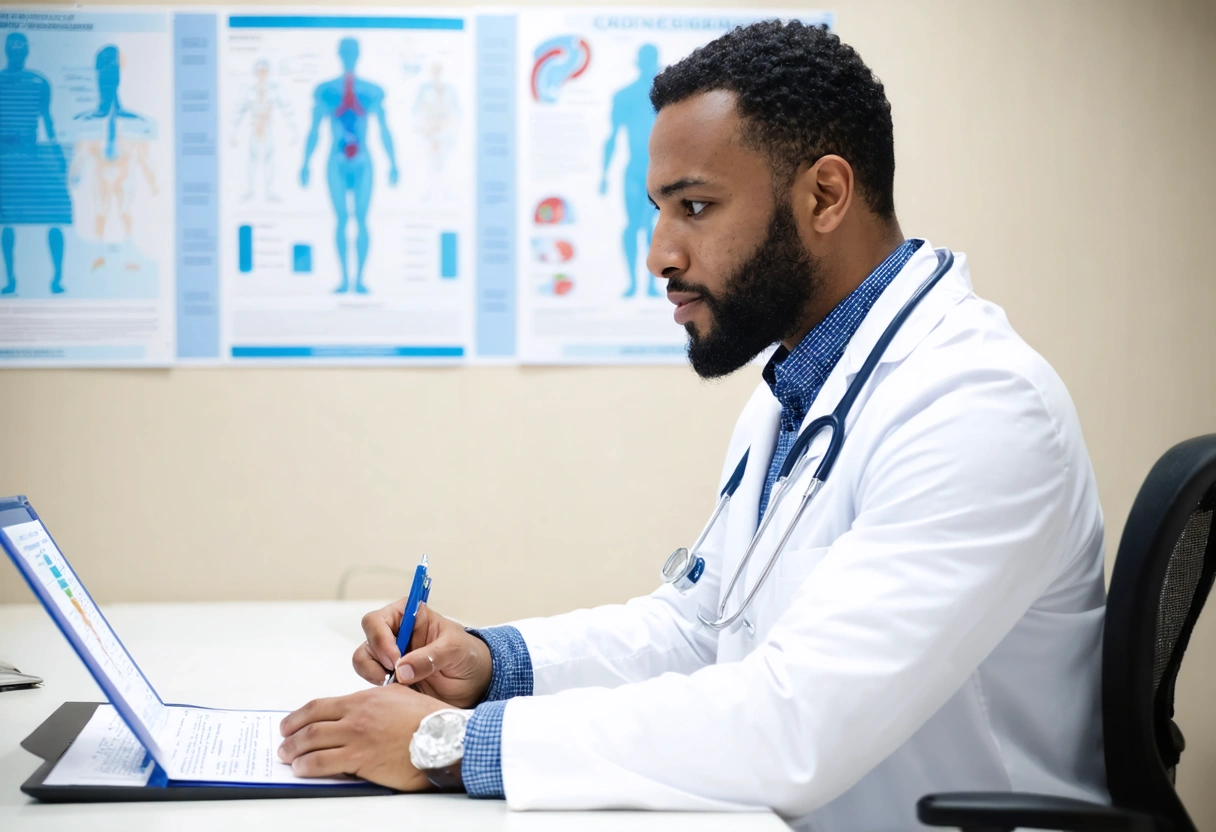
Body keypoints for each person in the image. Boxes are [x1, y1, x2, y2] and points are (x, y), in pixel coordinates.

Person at [278, 22, 1107, 831]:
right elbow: (702, 627)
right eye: (659, 210)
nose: (660, 254)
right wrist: (494, 665)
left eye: (697, 207)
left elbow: (796, 724)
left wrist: (447, 745)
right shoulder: (797, 388)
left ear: (824, 195)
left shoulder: (977, 407)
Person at [300, 37, 399, 295]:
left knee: (362, 220)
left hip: (363, 161)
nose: (349, 56)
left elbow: (384, 130)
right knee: (342, 220)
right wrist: (304, 163)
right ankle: (345, 280)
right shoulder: (326, 91)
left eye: (352, 52)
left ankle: (360, 280)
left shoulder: (371, 91)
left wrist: (394, 162)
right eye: (345, 52)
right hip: (336, 161)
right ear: (339, 54)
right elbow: (314, 131)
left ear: (358, 54)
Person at [0, 32, 70, 295]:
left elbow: (48, 120)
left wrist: (57, 154)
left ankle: (57, 278)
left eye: (21, 45)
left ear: (27, 50)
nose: (17, 49)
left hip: (32, 152)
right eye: (12, 45)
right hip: (5, 156)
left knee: (56, 213)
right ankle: (11, 280)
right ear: (6, 49)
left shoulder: (38, 82)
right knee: (6, 221)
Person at [599, 44, 661, 298]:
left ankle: (648, 285)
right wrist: (603, 174)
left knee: (652, 227)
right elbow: (612, 137)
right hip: (636, 170)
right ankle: (634, 283)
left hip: (659, 172)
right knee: (634, 225)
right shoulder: (625, 96)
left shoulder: (669, 99)